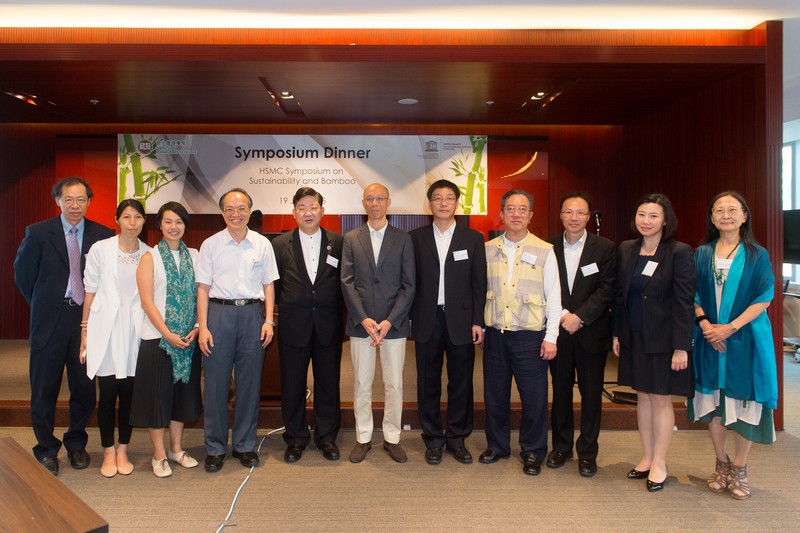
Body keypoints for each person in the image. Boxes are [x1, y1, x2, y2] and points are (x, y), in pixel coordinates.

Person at [14, 177, 114, 476]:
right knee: (44, 386)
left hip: (86, 321)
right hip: (50, 320)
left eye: (81, 199)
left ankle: (76, 443)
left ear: (89, 201)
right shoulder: (38, 233)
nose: (74, 205)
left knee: (84, 387)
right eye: (68, 199)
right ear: (57, 200)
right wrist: (44, 304)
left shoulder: (102, 235)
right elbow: (23, 276)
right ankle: (46, 448)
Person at [690, 191, 777, 500]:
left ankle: (739, 467)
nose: (725, 215)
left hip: (745, 338)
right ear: (712, 217)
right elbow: (693, 294)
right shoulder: (701, 253)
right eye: (719, 210)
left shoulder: (757, 254)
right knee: (714, 399)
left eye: (732, 210)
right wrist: (706, 326)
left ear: (744, 216)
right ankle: (721, 461)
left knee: (745, 401)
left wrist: (730, 327)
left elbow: (764, 297)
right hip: (709, 337)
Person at [612, 193, 696, 492]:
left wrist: (681, 345)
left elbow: (685, 302)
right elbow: (621, 296)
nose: (646, 221)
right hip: (634, 335)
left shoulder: (679, 252)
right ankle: (646, 457)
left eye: (653, 216)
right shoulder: (626, 249)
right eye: (641, 215)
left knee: (660, 397)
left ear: (665, 220)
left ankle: (660, 462)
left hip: (664, 339)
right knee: (642, 396)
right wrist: (617, 333)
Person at [479, 189, 561, 476]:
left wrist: (551, 337)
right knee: (495, 395)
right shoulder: (487, 249)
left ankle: (533, 451)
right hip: (495, 335)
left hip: (530, 337)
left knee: (535, 398)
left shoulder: (545, 250)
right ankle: (497, 446)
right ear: (501, 214)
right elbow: (477, 292)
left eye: (522, 209)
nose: (516, 214)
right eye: (510, 209)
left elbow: (554, 296)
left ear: (531, 215)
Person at [197, 188, 279, 472]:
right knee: (217, 385)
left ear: (250, 211)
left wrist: (268, 320)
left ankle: (244, 445)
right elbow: (203, 289)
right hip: (218, 315)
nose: (236, 213)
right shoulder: (210, 245)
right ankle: (215, 447)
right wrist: (203, 326)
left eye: (241, 208)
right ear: (222, 213)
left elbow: (269, 284)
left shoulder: (261, 244)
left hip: (251, 315)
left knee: (249, 384)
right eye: (230, 209)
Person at [409, 179, 486, 466]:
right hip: (427, 319)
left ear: (457, 203)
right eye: (438, 198)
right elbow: (410, 282)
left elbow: (480, 285)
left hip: (462, 321)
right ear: (429, 204)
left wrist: (478, 320)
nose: (443, 202)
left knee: (461, 383)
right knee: (427, 382)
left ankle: (456, 438)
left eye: (449, 198)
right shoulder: (415, 238)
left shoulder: (473, 238)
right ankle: (432, 439)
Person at [341, 183, 415, 464]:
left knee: (394, 384)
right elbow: (346, 282)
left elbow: (409, 285)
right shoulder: (351, 238)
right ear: (363, 203)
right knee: (361, 383)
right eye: (370, 199)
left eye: (379, 198)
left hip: (393, 326)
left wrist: (389, 320)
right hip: (361, 325)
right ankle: (363, 437)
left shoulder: (403, 239)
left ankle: (392, 437)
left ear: (388, 202)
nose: (375, 203)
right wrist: (364, 318)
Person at [131, 202, 203, 478]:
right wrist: (168, 334)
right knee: (158, 399)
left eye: (179, 222)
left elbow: (200, 295)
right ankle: (159, 454)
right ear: (159, 224)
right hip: (158, 340)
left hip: (187, 340)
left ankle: (176, 449)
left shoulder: (194, 256)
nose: (174, 227)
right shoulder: (150, 257)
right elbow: (147, 303)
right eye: (168, 221)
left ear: (185, 226)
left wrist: (196, 327)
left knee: (181, 400)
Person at [272, 187, 344, 463]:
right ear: (294, 213)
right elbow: (275, 286)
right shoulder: (279, 244)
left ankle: (327, 438)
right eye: (302, 207)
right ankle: (295, 438)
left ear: (322, 211)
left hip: (328, 325)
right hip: (293, 325)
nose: (308, 212)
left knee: (328, 383)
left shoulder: (338, 242)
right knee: (292, 384)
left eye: (313, 206)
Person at [546, 192, 616, 477]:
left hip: (591, 332)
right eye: (568, 212)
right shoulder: (547, 246)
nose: (573, 218)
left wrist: (580, 317)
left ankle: (588, 452)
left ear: (588, 217)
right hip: (558, 331)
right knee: (560, 391)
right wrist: (563, 315)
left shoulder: (606, 247)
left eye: (580, 213)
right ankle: (561, 446)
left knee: (591, 394)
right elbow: (545, 287)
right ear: (560, 215)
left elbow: (607, 288)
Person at [79, 199, 149, 478]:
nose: (132, 222)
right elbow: (89, 291)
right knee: (107, 393)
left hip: (134, 332)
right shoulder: (100, 249)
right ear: (117, 219)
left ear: (144, 221)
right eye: (127, 217)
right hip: (104, 329)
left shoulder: (149, 253)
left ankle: (123, 449)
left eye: (138, 217)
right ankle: (108, 450)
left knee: (129, 394)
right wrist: (84, 332)